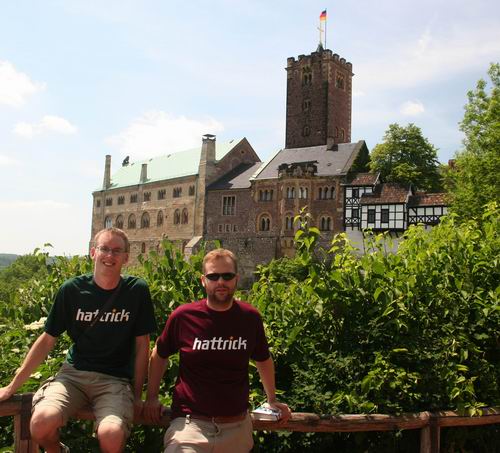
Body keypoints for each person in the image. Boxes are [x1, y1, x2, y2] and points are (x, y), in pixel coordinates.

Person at [0, 227, 157, 453]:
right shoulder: (72, 290)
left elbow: (143, 346)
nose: (109, 256)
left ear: (126, 257)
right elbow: (47, 340)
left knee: (111, 435)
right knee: (40, 422)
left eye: (116, 251)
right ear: (93, 252)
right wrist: (11, 387)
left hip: (115, 381)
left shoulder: (136, 290)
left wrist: (138, 396)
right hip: (73, 375)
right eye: (104, 249)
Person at [145, 248, 291, 453]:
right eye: (213, 276)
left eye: (227, 276)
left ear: (236, 279)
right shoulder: (183, 316)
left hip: (236, 428)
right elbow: (159, 354)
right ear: (203, 280)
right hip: (190, 427)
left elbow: (263, 359)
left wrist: (272, 399)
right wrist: (151, 397)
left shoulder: (250, 317)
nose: (220, 282)